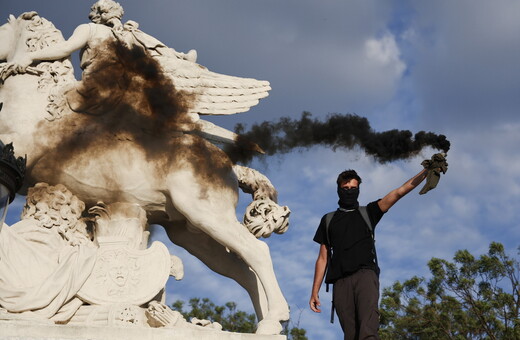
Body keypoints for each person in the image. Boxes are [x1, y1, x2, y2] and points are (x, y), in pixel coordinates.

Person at [309, 166, 429, 340]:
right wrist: (314, 291)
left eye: (353, 189)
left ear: (358, 190)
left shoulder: (369, 212)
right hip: (340, 283)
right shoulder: (328, 220)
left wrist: (426, 171)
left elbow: (399, 192)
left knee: (368, 330)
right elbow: (322, 258)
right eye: (345, 189)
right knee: (350, 335)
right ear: (338, 190)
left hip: (365, 275)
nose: (349, 192)